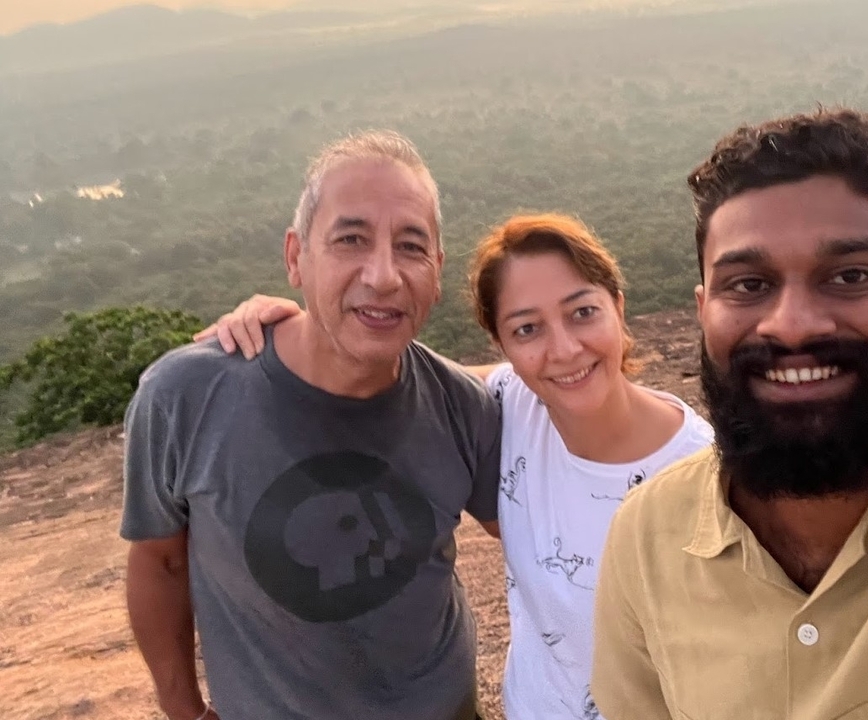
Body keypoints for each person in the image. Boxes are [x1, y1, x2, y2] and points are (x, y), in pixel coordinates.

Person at [590, 107, 868, 719]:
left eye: (852, 275)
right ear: (703, 311)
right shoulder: (646, 538)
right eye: (748, 285)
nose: (793, 326)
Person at [194, 213, 715, 720]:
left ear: (618, 308)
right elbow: (385, 380)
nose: (563, 349)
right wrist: (301, 329)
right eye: (527, 328)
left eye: (583, 312)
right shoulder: (510, 403)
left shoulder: (705, 479)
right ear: (504, 346)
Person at [121, 130, 502, 720]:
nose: (383, 276)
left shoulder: (462, 406)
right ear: (296, 257)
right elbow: (160, 561)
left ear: (437, 270)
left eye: (410, 246)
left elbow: (542, 537)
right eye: (351, 239)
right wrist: (183, 709)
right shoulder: (184, 397)